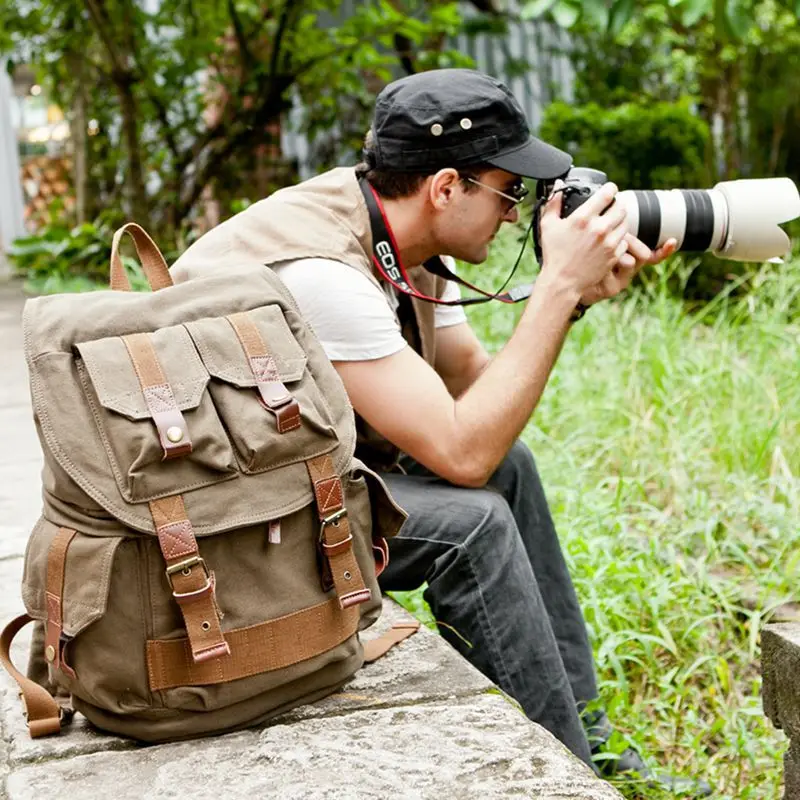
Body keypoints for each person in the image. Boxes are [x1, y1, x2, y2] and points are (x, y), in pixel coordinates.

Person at [171, 68, 710, 796]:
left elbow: (479, 398)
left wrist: (573, 299)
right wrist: (553, 291)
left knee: (508, 469)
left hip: (283, 488)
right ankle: (572, 779)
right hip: (221, 535)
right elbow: (461, 453)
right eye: (508, 189)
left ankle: (592, 740)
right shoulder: (326, 276)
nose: (519, 214)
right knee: (471, 525)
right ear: (446, 187)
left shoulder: (403, 241)